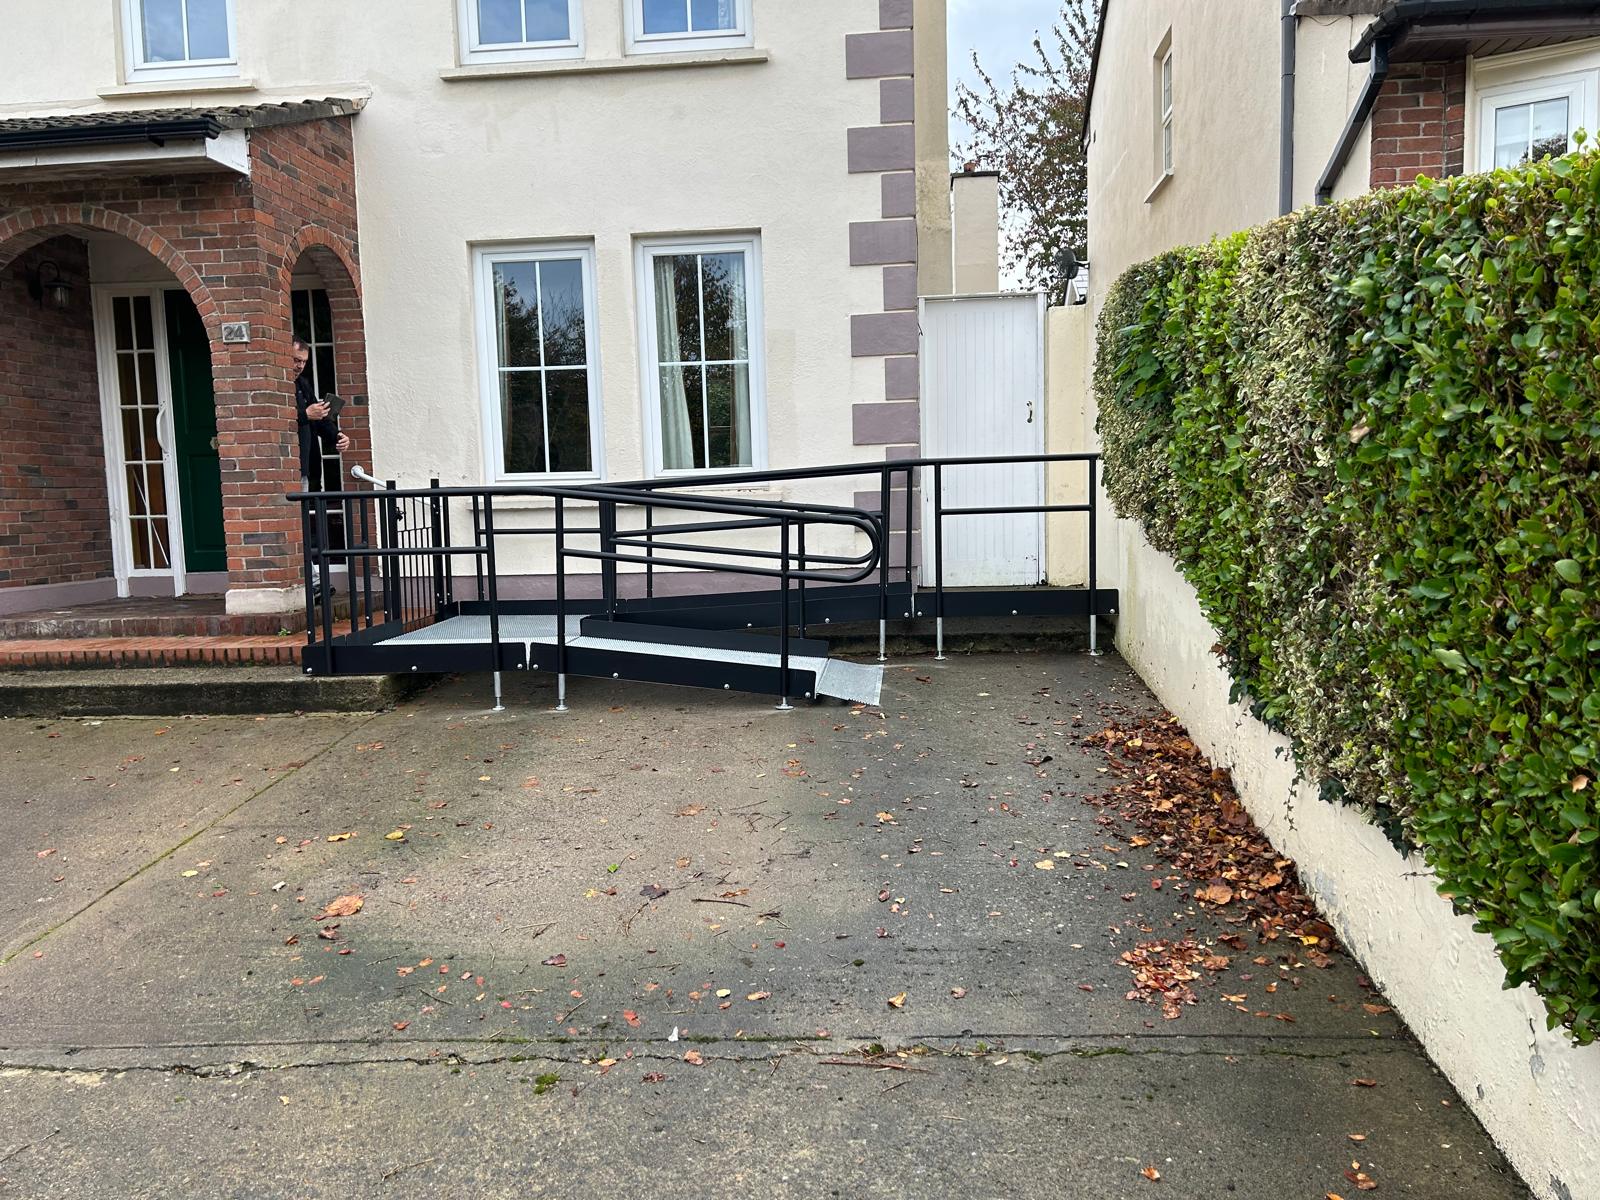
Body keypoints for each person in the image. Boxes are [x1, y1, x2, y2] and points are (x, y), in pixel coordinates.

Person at [294, 337, 350, 600]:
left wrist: (338, 437)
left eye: (303, 362)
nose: (299, 366)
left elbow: (319, 421)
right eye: (295, 360)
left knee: (303, 526)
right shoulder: (277, 385)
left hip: (305, 468)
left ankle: (313, 582)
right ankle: (312, 583)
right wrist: (305, 414)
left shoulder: (302, 384)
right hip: (287, 468)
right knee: (297, 528)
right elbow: (273, 418)